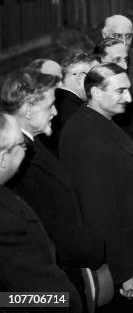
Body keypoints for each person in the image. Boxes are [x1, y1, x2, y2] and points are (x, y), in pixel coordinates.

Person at [0, 69, 105, 309]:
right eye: (49, 106)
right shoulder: (18, 158)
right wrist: (96, 248)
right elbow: (45, 227)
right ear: (27, 109)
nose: (56, 113)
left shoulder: (33, 145)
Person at [60, 63, 133, 312]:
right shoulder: (87, 138)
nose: (128, 97)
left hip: (130, 245)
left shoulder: (97, 122)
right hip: (121, 256)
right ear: (95, 92)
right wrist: (124, 271)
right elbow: (99, 213)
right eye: (120, 91)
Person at [0, 112, 83, 312]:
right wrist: (70, 303)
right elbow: (49, 296)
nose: (26, 151)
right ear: (3, 157)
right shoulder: (10, 217)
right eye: (22, 145)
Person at [39, 51, 98, 156]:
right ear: (80, 78)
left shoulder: (50, 104)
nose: (97, 85)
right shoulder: (77, 112)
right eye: (94, 79)